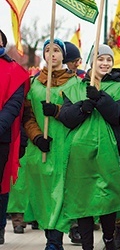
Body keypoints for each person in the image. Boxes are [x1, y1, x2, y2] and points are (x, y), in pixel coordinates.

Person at [8, 38, 78, 250]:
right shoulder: (34, 83)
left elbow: (77, 114)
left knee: (60, 195)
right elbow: (27, 116)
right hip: (41, 150)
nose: (52, 54)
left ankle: (55, 241)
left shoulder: (74, 83)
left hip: (65, 150)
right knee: (44, 196)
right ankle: (50, 237)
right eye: (48, 50)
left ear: (63, 55)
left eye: (56, 50)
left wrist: (57, 111)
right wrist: (37, 137)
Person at [58, 44, 120, 250]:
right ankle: (87, 245)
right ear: (91, 61)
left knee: (108, 196)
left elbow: (119, 116)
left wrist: (100, 99)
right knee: (83, 197)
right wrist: (83, 107)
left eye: (109, 59)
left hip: (110, 150)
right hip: (80, 153)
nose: (105, 63)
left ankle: (108, 237)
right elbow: (67, 119)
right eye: (100, 59)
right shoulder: (73, 88)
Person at [0, 29, 30, 245]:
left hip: (1, 137)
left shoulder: (14, 71)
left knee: (0, 186)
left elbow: (14, 105)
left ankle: (0, 226)